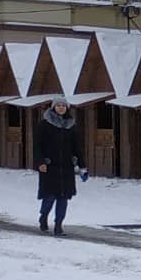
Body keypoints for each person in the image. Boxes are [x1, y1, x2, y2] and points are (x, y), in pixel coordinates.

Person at [34, 95, 88, 235]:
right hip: (50, 166)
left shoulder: (71, 126)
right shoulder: (44, 125)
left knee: (63, 197)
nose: (61, 108)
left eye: (63, 106)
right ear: (53, 107)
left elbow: (77, 147)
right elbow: (37, 146)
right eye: (58, 105)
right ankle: (43, 217)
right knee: (49, 196)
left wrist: (82, 166)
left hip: (66, 168)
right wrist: (40, 162)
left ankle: (58, 225)